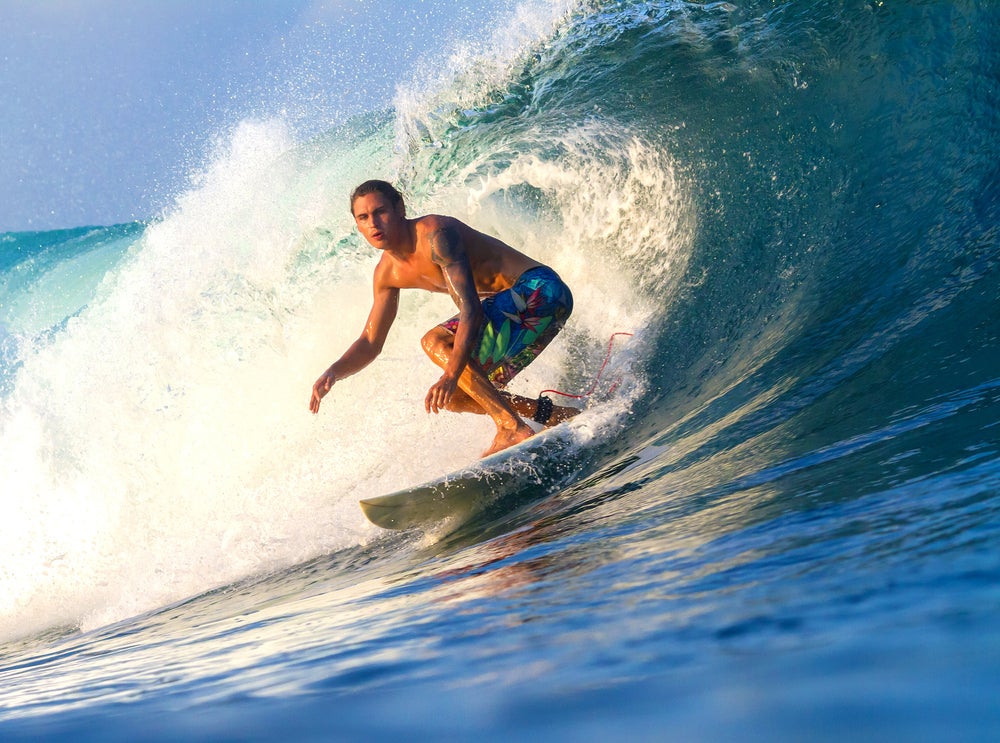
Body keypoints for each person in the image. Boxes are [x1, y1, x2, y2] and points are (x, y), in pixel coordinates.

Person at [309, 180, 578, 456]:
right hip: (523, 310)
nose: (373, 223)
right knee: (459, 396)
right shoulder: (387, 274)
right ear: (357, 225)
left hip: (540, 290)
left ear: (400, 208)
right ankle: (556, 414)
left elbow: (471, 310)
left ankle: (511, 427)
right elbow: (370, 341)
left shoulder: (436, 234)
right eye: (363, 218)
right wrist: (335, 371)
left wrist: (450, 374)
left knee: (435, 342)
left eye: (380, 212)